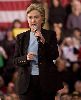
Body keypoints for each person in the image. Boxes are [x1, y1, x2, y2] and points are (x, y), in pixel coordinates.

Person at [14, 3, 61, 100]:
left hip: (46, 82)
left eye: (36, 17)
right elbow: (15, 60)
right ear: (27, 19)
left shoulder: (50, 35)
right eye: (30, 17)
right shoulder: (21, 37)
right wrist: (25, 58)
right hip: (27, 83)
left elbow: (55, 55)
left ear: (42, 18)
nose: (33, 20)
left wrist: (44, 41)